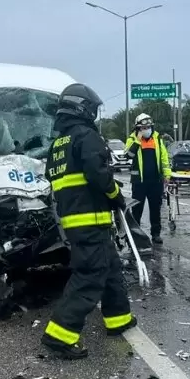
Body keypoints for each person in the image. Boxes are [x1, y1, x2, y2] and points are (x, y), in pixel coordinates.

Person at [41, 83, 135, 359]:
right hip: (91, 220)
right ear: (81, 108)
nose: (94, 114)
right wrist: (116, 194)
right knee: (90, 275)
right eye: (92, 109)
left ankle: (119, 319)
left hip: (75, 221)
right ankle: (59, 335)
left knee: (111, 268)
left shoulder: (58, 144)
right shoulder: (86, 136)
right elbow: (98, 174)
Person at [125, 113, 171, 244]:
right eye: (143, 128)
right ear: (138, 128)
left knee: (155, 208)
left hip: (155, 181)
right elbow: (129, 155)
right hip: (139, 181)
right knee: (137, 209)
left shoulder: (157, 139)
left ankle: (155, 233)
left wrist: (167, 174)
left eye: (148, 127)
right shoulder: (132, 139)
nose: (146, 130)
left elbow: (164, 158)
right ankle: (135, 234)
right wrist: (138, 140)